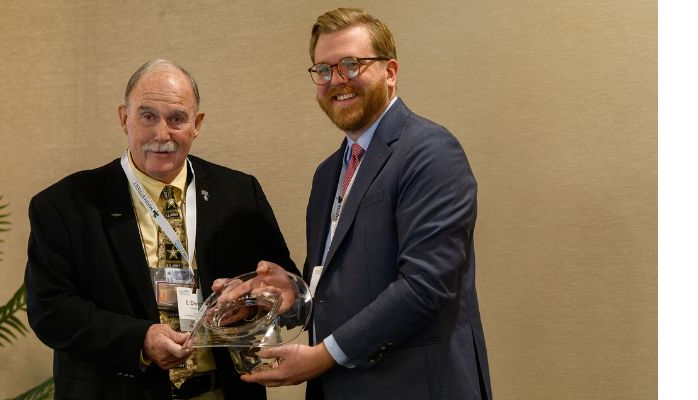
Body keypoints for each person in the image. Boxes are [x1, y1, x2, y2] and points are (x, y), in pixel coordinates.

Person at [238, 8, 493, 400]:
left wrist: (323, 356)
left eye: (351, 65)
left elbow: (424, 287)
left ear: (390, 72)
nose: (336, 80)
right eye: (323, 70)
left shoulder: (431, 152)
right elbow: (336, 282)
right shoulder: (328, 174)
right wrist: (292, 292)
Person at [24, 59, 298, 400]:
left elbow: (282, 285)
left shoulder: (240, 195)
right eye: (147, 116)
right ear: (124, 118)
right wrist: (140, 339)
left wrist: (253, 299)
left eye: (177, 119)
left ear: (197, 124)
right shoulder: (64, 205)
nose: (161, 134)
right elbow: (50, 309)